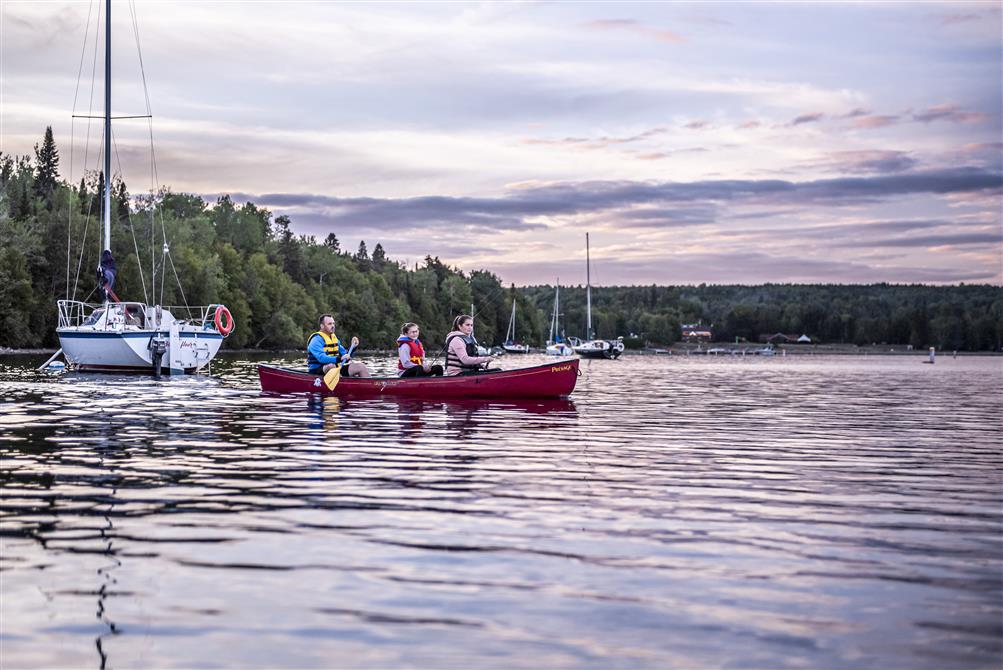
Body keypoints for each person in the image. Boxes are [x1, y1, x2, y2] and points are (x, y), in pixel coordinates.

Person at [306, 314, 370, 378]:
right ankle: (342, 385)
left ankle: (372, 386)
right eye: (329, 324)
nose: (333, 326)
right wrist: (339, 359)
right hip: (317, 371)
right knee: (331, 366)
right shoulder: (316, 340)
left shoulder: (334, 338)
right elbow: (321, 358)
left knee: (360, 366)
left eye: (333, 323)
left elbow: (345, 355)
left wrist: (353, 347)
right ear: (322, 326)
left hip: (336, 369)